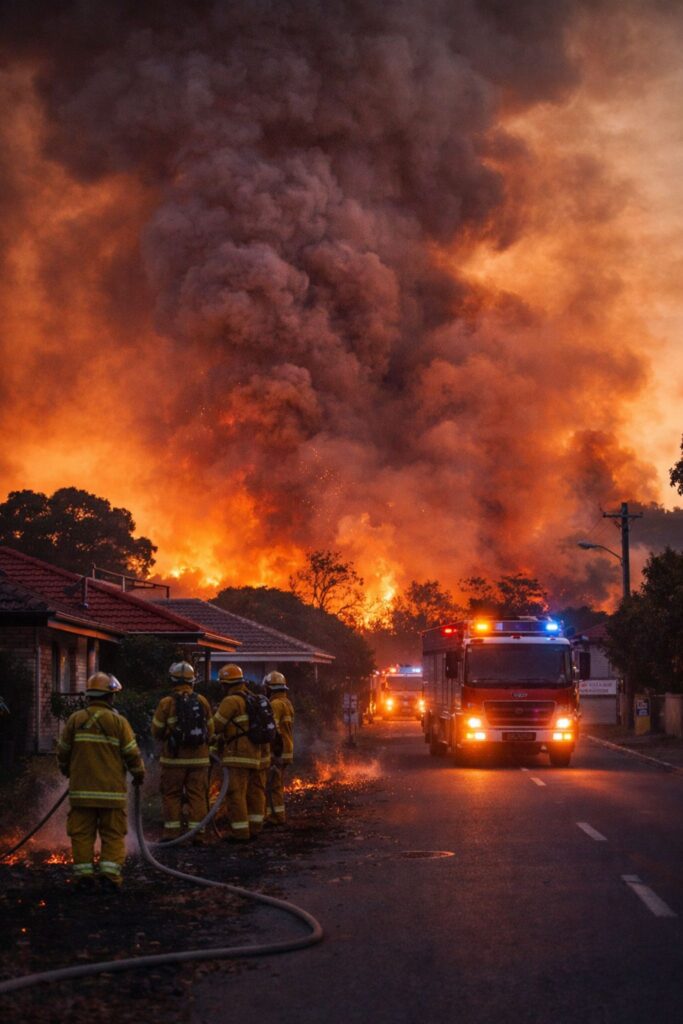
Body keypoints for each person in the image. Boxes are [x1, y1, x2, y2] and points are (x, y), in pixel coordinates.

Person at [57, 671, 144, 889]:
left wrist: (67, 770)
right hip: (111, 794)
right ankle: (109, 877)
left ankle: (84, 877)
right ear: (110, 696)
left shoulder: (75, 720)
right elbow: (132, 754)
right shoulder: (118, 722)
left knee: (82, 835)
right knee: (113, 835)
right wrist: (138, 774)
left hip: (81, 793)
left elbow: (63, 752)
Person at [151, 661, 213, 841]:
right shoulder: (202, 701)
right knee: (198, 796)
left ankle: (172, 834)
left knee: (172, 795)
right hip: (200, 760)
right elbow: (211, 729)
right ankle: (198, 835)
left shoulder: (167, 703)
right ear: (192, 681)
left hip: (173, 760)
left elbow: (156, 730)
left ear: (173, 681)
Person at [212, 664, 262, 841]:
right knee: (253, 793)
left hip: (237, 754)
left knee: (236, 794)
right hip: (255, 754)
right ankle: (254, 828)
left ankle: (240, 833)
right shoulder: (252, 698)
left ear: (226, 684)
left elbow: (215, 726)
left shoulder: (231, 701)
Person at [264, 671, 294, 825]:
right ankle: (274, 815)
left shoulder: (275, 704)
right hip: (287, 748)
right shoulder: (286, 703)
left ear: (270, 688)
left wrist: (272, 752)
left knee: (273, 785)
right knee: (277, 784)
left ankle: (276, 817)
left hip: (278, 750)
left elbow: (272, 729)